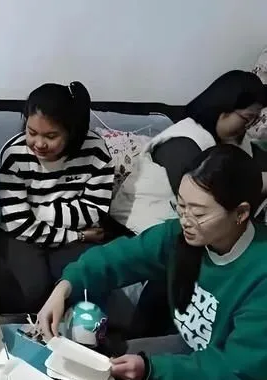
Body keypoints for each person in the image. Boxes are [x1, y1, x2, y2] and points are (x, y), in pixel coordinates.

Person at [39, 144, 267, 380]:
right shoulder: (182, 237)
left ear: (240, 213)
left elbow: (236, 370)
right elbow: (119, 258)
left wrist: (153, 369)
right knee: (106, 367)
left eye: (199, 213)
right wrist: (65, 287)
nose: (185, 219)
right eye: (181, 206)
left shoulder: (259, 273)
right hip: (197, 351)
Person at [110, 70, 267, 337]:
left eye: (253, 121)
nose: (247, 128)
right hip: (142, 226)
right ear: (224, 109)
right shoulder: (183, 142)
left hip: (197, 231)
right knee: (178, 268)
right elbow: (209, 194)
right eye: (245, 119)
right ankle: (143, 338)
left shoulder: (235, 143)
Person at [0, 82, 113, 313]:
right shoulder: (13, 155)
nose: (39, 144)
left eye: (51, 136)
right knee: (33, 290)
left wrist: (38, 210)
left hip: (67, 236)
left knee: (84, 283)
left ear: (72, 132)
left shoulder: (95, 151)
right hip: (24, 236)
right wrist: (78, 234)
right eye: (31, 133)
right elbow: (19, 224)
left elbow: (94, 210)